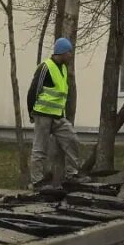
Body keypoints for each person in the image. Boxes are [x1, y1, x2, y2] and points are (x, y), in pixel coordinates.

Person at [27, 37, 87, 188]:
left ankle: (72, 175)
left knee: (72, 139)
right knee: (40, 148)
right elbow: (33, 91)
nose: (71, 55)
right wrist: (31, 112)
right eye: (69, 52)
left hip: (58, 117)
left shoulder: (64, 69)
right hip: (42, 115)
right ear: (61, 52)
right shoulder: (45, 68)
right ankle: (37, 181)